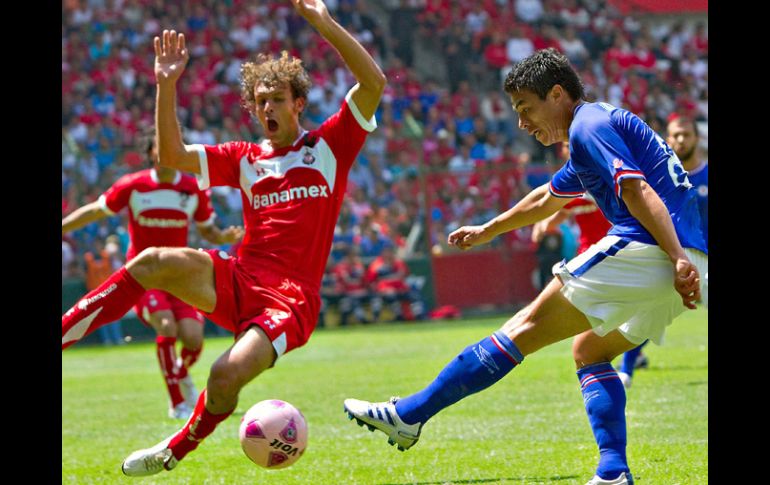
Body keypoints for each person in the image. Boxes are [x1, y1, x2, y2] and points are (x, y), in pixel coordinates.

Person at [344, 49, 706, 485]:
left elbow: (636, 191)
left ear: (556, 94)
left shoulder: (588, 127)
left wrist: (674, 257)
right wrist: (488, 230)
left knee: (523, 327)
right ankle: (613, 473)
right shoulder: (594, 129)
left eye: (525, 107)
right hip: (686, 256)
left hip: (652, 249)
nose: (521, 121)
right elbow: (545, 198)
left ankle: (409, 414)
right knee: (590, 352)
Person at [61, 0, 385, 476]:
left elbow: (373, 83)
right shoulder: (245, 157)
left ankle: (176, 448)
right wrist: (166, 84)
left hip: (290, 301)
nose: (266, 107)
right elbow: (171, 153)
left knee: (224, 375)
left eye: (275, 98)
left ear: (298, 103)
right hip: (239, 275)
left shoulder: (331, 146)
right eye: (259, 100)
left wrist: (323, 21)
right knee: (150, 261)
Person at [62, 129, 244, 419]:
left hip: (180, 278)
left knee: (194, 339)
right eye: (163, 147)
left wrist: (222, 237)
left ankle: (179, 374)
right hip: (144, 277)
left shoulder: (192, 188)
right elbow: (97, 211)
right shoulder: (133, 186)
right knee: (167, 327)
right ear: (151, 154)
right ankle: (178, 403)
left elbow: (207, 228)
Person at [615, 113, 709, 386]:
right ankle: (626, 371)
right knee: (646, 313)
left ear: (697, 138)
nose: (681, 140)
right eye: (676, 135)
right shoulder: (657, 179)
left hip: (704, 263)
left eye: (686, 135)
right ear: (667, 139)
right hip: (669, 260)